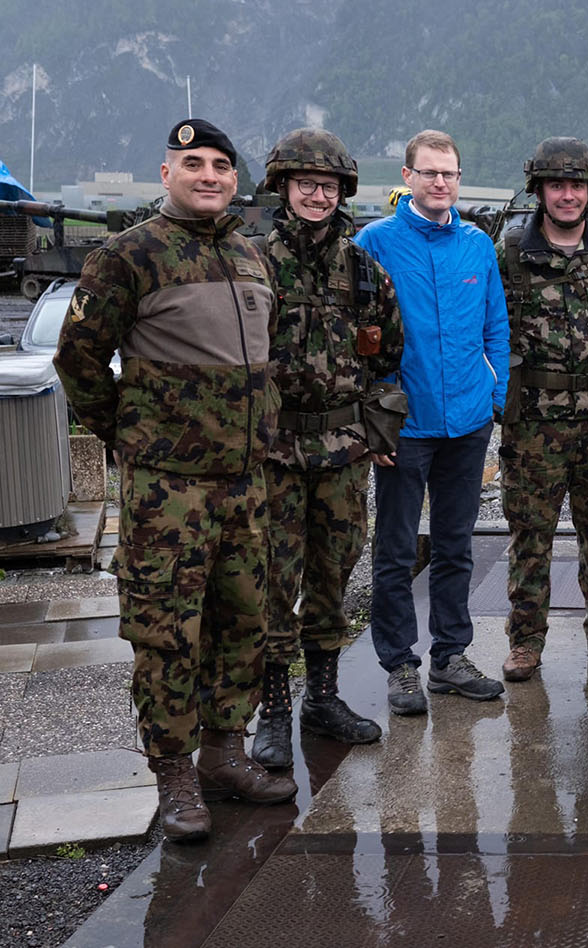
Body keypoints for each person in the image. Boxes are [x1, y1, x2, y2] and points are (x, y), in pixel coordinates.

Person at [54, 119, 297, 841]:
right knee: (167, 633)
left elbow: (267, 358)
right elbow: (80, 362)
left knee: (245, 624)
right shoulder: (126, 257)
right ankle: (174, 771)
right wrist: (132, 437)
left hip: (246, 485)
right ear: (167, 174)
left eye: (222, 165)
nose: (210, 175)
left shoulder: (252, 257)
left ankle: (225, 752)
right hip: (171, 490)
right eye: (194, 163)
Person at [247, 129, 404, 770]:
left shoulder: (363, 269)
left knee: (332, 576)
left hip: (341, 454)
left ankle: (324, 697)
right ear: (283, 187)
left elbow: (389, 352)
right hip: (276, 450)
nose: (318, 195)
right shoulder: (251, 261)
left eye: (329, 186)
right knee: (273, 582)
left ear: (344, 194)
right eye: (306, 184)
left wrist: (375, 432)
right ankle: (276, 711)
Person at [356, 129, 509, 712]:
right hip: (405, 426)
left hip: (469, 424)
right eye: (428, 172)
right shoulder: (374, 243)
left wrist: (496, 394)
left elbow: (497, 325)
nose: (439, 182)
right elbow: (357, 334)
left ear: (458, 179)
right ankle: (399, 664)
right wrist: (374, 418)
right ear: (408, 177)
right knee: (395, 550)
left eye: (449, 173)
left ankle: (450, 656)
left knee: (455, 546)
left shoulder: (477, 245)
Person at [498, 137, 588, 682]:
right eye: (556, 185)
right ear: (538, 190)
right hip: (535, 425)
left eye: (576, 185)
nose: (567, 195)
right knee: (530, 538)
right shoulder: (509, 254)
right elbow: (489, 331)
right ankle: (525, 642)